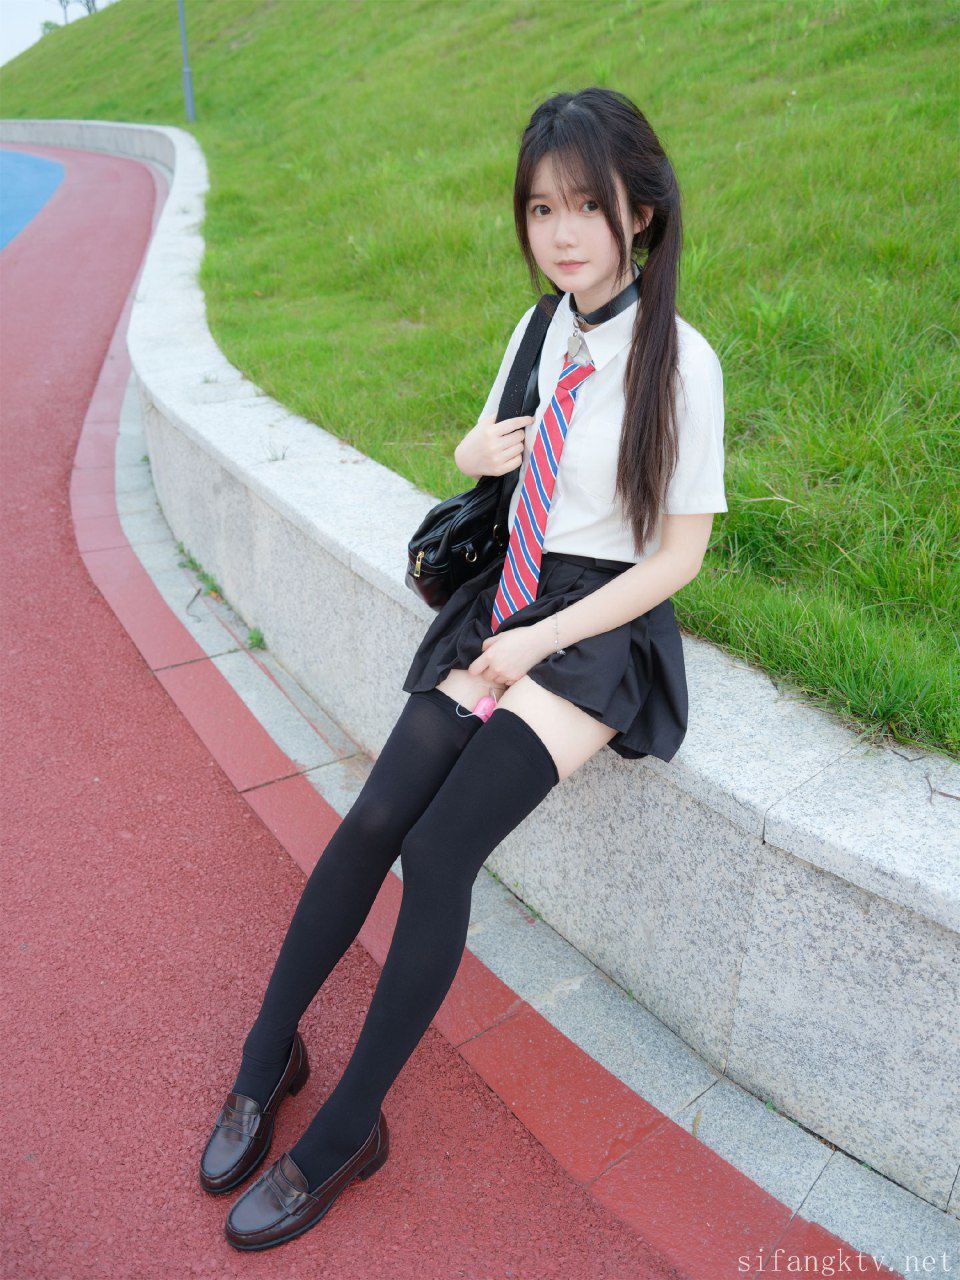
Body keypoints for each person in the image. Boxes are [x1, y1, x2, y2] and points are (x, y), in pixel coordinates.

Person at [200, 85, 728, 1251]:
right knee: (374, 816)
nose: (562, 232)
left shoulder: (681, 361)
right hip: (510, 595)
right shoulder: (538, 331)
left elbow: (678, 556)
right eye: (541, 208)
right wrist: (473, 448)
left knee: (439, 852)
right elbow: (492, 461)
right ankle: (266, 1054)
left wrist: (540, 640)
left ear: (641, 211)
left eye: (586, 205)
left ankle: (347, 1128)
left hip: (598, 629)